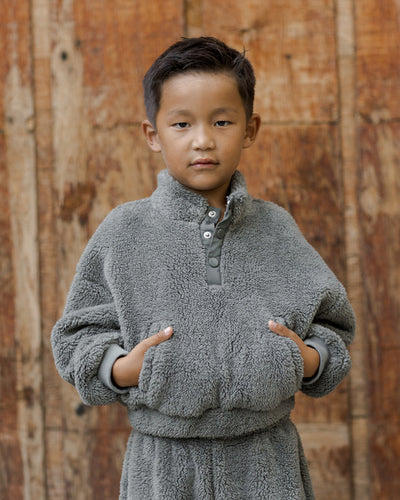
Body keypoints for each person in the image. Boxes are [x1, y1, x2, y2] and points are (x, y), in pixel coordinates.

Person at [51, 36, 355, 499]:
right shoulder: (124, 231)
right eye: (181, 123)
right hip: (162, 463)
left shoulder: (276, 229)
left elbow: (333, 324)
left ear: (250, 129)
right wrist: (124, 369)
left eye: (222, 121)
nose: (203, 140)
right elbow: (76, 337)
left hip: (265, 461)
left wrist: (306, 359)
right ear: (153, 134)